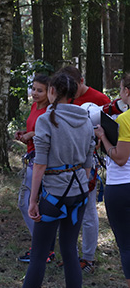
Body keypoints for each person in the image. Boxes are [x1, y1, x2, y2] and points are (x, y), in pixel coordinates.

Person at [0, 72, 94, 288]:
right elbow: (89, 160)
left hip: (53, 193)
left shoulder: (49, 119)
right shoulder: (86, 118)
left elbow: (40, 164)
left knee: (39, 254)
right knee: (70, 250)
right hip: (78, 193)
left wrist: (33, 199)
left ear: (52, 92)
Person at [60, 65, 110, 273]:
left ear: (81, 81)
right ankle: (71, 255)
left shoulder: (99, 99)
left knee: (89, 211)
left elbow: (110, 129)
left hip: (88, 164)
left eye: (74, 87)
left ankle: (87, 258)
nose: (70, 92)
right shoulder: (66, 97)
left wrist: (100, 141)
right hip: (64, 165)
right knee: (67, 211)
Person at [94, 74, 130, 288]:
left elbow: (119, 157)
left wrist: (103, 138)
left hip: (122, 187)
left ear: (127, 91)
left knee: (127, 247)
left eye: (120, 91)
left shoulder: (126, 119)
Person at [14, 74, 53, 263]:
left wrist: (33, 134)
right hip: (31, 158)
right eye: (34, 89)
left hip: (41, 161)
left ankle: (43, 248)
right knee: (29, 203)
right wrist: (24, 134)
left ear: (49, 92)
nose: (35, 93)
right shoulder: (34, 106)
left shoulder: (50, 110)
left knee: (28, 203)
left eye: (40, 90)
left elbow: (52, 132)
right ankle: (43, 246)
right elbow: (33, 128)